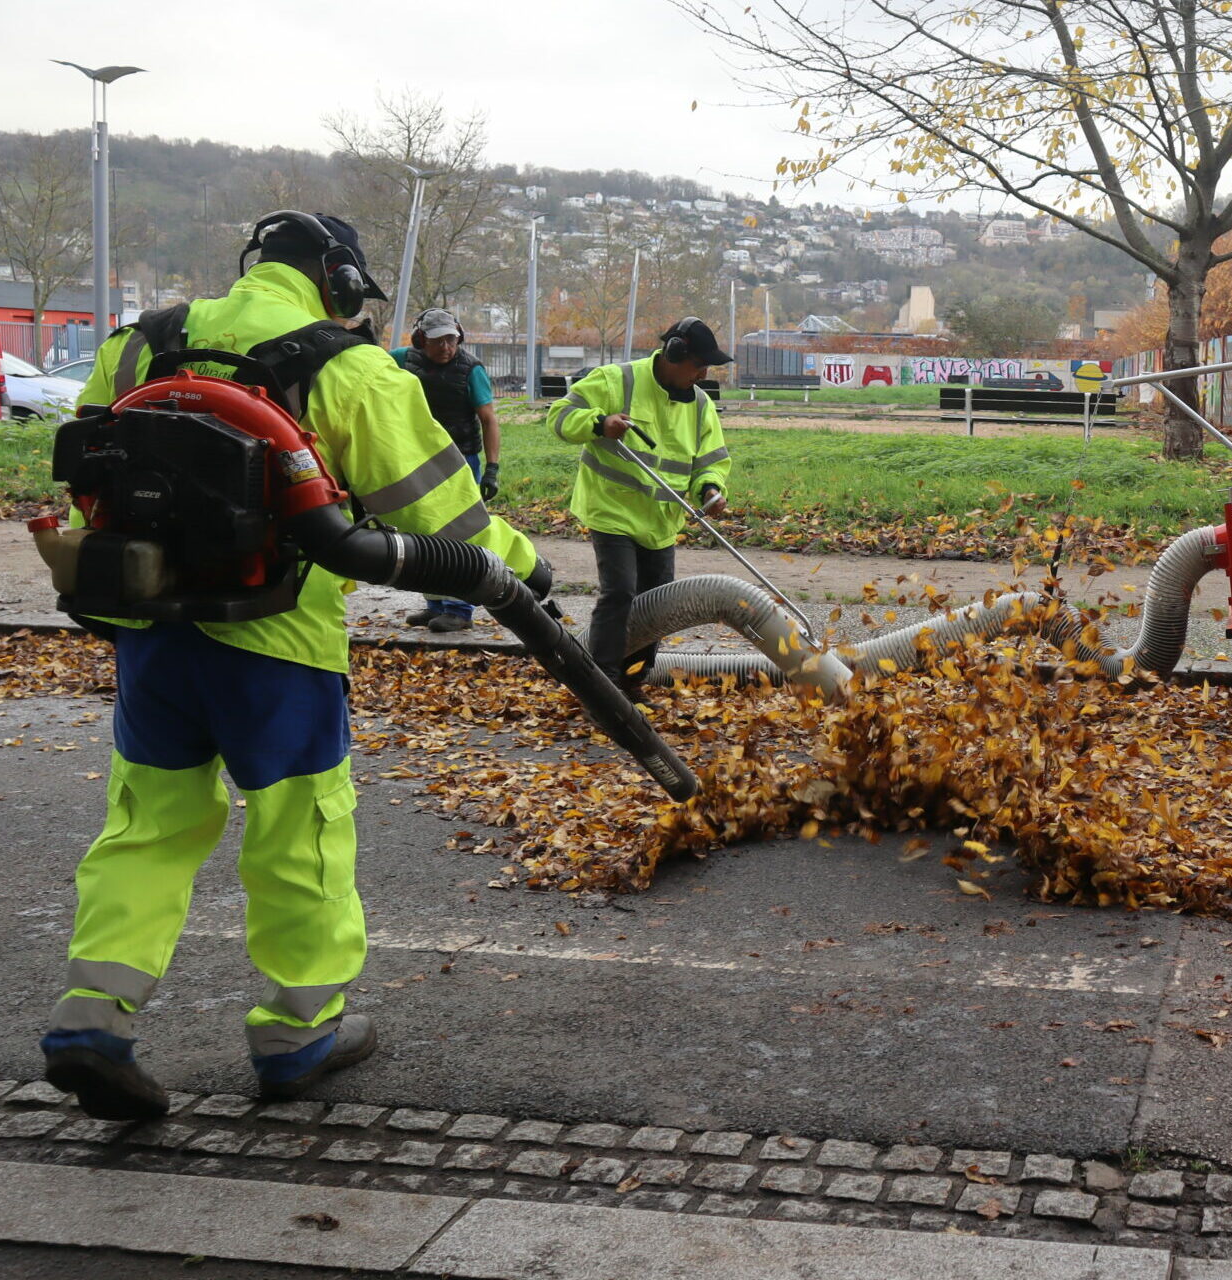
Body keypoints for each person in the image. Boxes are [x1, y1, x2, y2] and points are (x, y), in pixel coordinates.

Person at [43, 212, 548, 1119]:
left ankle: (94, 1021)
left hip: (150, 626)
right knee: (301, 833)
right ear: (340, 280)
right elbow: (447, 517)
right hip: (278, 640)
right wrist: (529, 570)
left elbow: (91, 462)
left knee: (147, 826)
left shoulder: (139, 343)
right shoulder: (349, 369)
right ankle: (297, 1032)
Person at [545, 317, 733, 698]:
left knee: (657, 605)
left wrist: (710, 488)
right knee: (620, 593)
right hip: (611, 510)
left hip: (660, 522)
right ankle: (603, 684)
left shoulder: (700, 405)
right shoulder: (617, 380)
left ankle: (633, 681)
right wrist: (599, 423)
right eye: (698, 364)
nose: (703, 373)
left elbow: (710, 459)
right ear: (674, 353)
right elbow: (559, 417)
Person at [390, 308, 501, 633]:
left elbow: (489, 419)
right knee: (422, 531)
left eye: (452, 339)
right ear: (422, 338)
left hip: (460, 461)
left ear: (459, 336)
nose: (446, 347)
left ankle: (460, 608)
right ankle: (435, 604)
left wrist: (492, 468)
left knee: (460, 535)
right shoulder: (400, 360)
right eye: (438, 341)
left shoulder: (471, 370)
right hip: (417, 459)